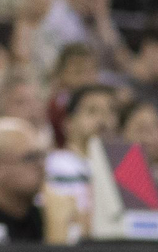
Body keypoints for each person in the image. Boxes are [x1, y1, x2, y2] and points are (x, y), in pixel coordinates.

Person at [45, 83, 117, 229]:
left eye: (110, 112)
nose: (103, 120)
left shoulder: (122, 168)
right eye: (92, 111)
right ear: (68, 123)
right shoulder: (55, 165)